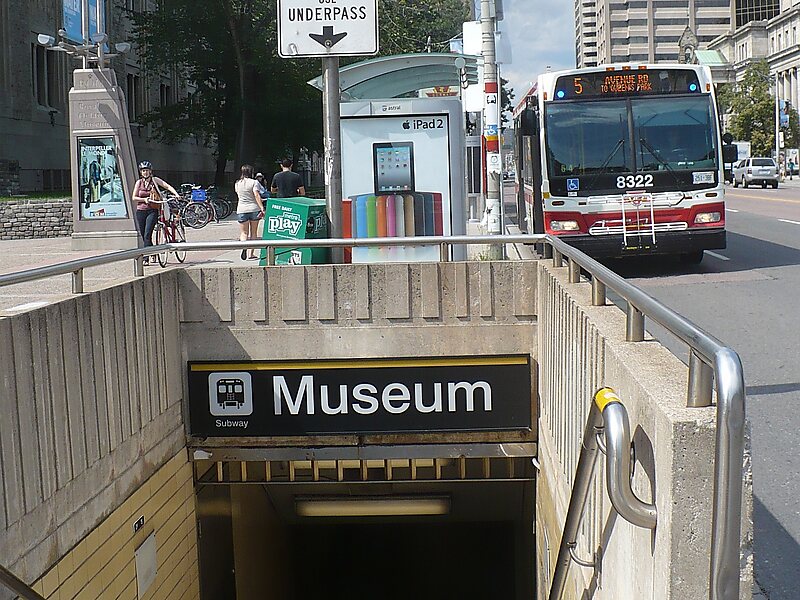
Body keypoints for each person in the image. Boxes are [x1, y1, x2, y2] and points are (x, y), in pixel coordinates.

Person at [131, 160, 179, 263]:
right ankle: (153, 252)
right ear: (141, 172)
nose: (145, 173)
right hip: (141, 210)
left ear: (150, 171)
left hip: (152, 210)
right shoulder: (139, 183)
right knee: (144, 235)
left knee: (148, 233)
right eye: (143, 171)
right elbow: (134, 197)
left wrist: (176, 194)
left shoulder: (155, 180)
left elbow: (167, 186)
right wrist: (144, 199)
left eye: (147, 170)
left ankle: (146, 258)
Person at [235, 164, 265, 260]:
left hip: (241, 209)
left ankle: (244, 246)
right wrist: (262, 208)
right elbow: (257, 195)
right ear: (251, 172)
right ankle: (251, 254)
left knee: (244, 232)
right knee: (253, 232)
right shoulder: (254, 182)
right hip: (253, 209)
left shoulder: (237, 183)